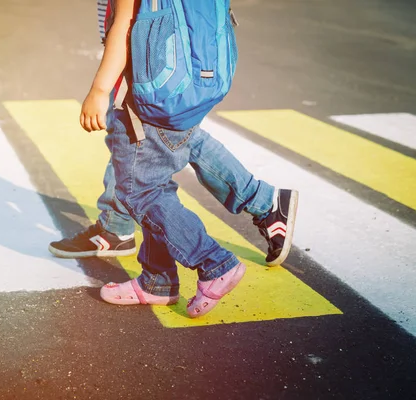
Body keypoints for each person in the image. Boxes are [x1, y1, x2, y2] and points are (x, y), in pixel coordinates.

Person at [67, 0, 298, 318]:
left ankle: (214, 263)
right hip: (183, 87)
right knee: (159, 175)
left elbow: (124, 26)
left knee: (143, 193)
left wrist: (99, 89)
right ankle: (157, 281)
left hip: (142, 100)